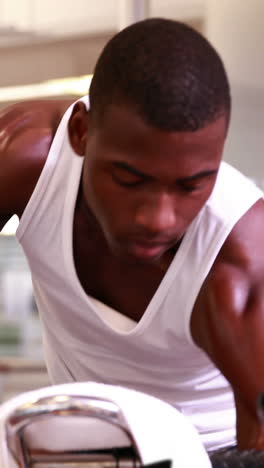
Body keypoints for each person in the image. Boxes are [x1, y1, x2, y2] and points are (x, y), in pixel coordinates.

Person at [0, 17, 264, 460]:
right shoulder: (23, 157)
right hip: (71, 438)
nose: (158, 219)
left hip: (213, 453)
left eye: (190, 186)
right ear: (81, 132)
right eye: (129, 179)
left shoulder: (239, 257)